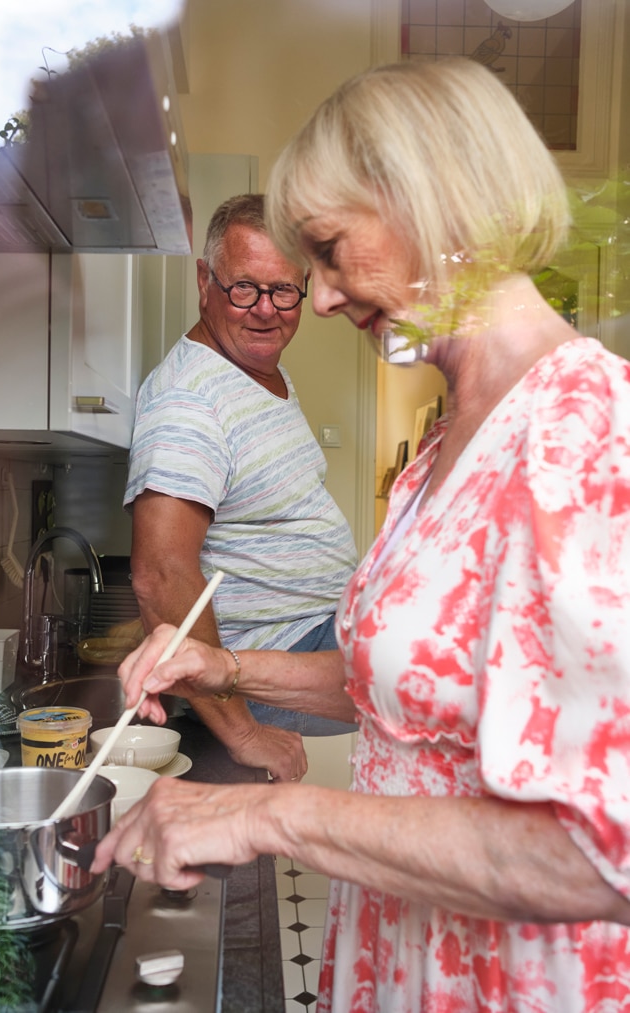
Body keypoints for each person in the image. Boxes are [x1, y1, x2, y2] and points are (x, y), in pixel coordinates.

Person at [93, 59, 630, 1011]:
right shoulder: (444, 445)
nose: (324, 300)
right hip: (406, 950)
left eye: (330, 252)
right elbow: (423, 686)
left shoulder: (581, 433)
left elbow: (597, 850)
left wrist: (267, 813)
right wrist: (229, 671)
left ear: (434, 204)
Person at [125, 193, 358, 782]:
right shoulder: (188, 401)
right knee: (462, 665)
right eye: (244, 289)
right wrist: (246, 733)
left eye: (283, 291)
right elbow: (160, 575)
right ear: (205, 281)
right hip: (276, 660)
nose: (265, 311)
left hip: (316, 629)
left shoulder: (257, 369)